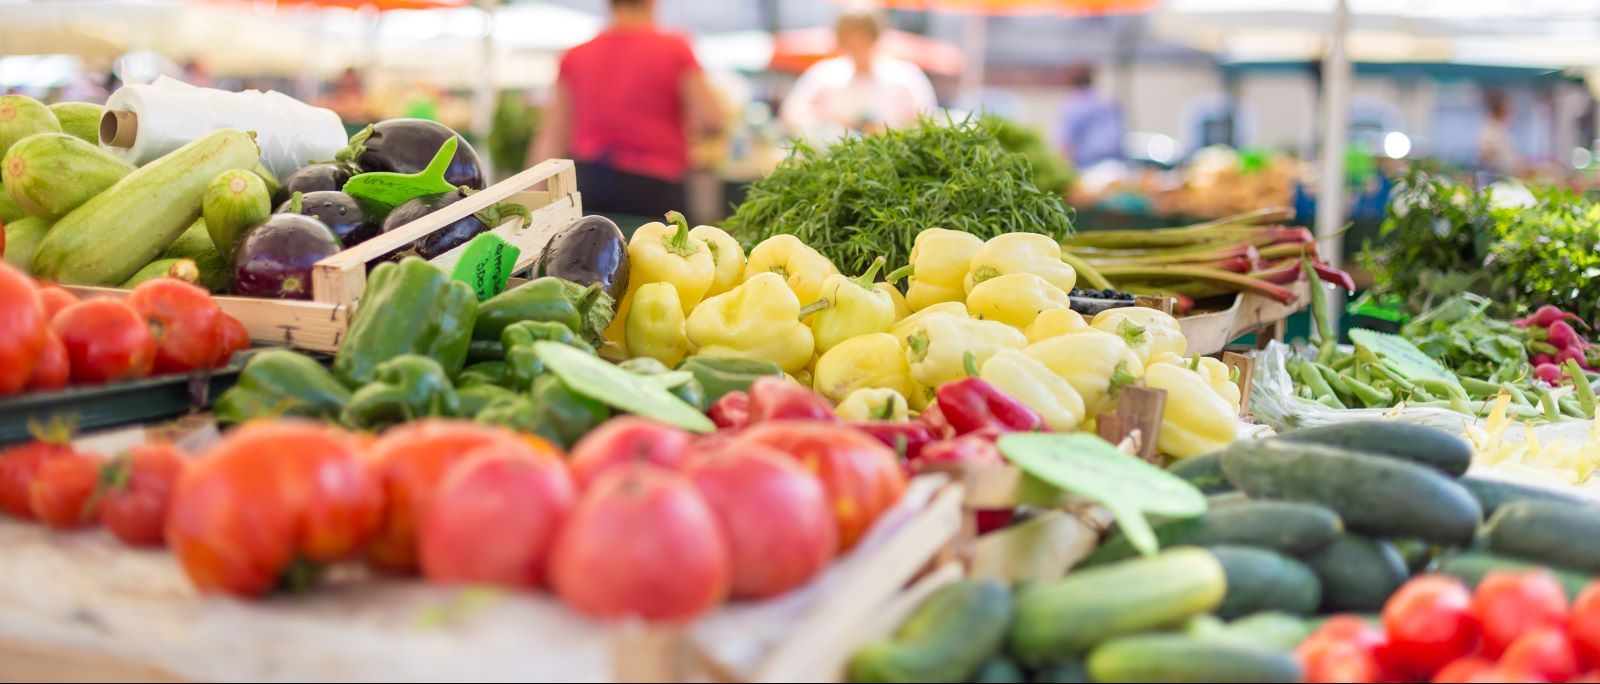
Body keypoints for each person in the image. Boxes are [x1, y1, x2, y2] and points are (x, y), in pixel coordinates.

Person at [531, 0, 723, 218]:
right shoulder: (675, 48)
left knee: (590, 249)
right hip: (654, 184)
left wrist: (532, 196)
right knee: (662, 249)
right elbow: (711, 119)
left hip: (589, 181)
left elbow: (553, 134)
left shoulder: (575, 55)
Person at [779, 7, 937, 140]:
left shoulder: (905, 77)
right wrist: (831, 119)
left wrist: (887, 131)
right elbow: (792, 113)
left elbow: (925, 121)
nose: (856, 43)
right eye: (849, 38)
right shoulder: (823, 75)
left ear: (875, 36)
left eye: (862, 36)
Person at [1056, 63, 1124, 168]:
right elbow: (1119, 135)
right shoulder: (1108, 100)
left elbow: (1065, 142)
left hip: (1085, 167)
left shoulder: (1073, 104)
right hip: (1114, 164)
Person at [1479, 89, 1522, 176]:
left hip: (1506, 175)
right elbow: (1486, 157)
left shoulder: (1500, 128)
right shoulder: (1490, 130)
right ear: (1500, 110)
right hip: (1498, 177)